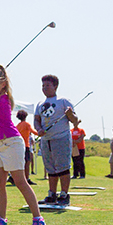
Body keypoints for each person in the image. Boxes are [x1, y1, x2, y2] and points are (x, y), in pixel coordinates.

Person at [0, 65, 45, 225]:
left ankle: (38, 219)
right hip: (1, 145)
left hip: (12, 143)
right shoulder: (1, 97)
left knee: (20, 181)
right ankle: (1, 220)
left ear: (3, 85)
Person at [34, 74, 78, 206]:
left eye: (47, 85)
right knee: (50, 168)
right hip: (46, 140)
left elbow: (75, 121)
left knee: (63, 167)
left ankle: (64, 194)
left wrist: (70, 115)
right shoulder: (40, 104)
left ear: (55, 86)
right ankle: (52, 194)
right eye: (43, 86)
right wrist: (39, 129)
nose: (44, 88)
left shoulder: (63, 101)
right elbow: (37, 120)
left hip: (61, 138)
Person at [15, 109, 38, 185]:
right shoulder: (27, 124)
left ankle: (18, 178)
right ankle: (27, 179)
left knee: (20, 163)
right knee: (27, 163)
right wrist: (41, 132)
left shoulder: (17, 126)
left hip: (19, 146)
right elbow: (34, 132)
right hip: (26, 146)